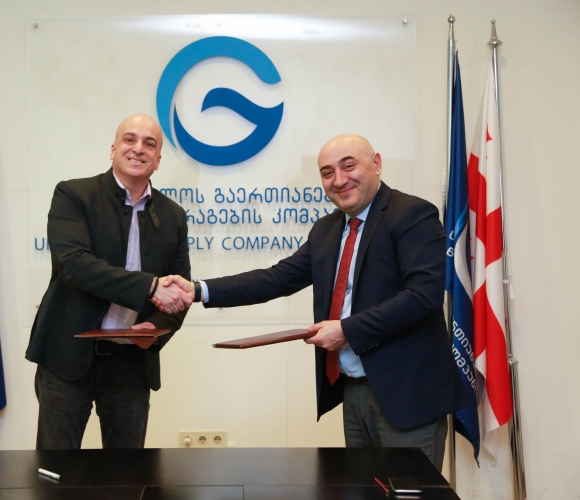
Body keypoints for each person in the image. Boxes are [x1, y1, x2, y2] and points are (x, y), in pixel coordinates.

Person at [156, 134, 468, 470]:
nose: (339, 180)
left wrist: (346, 330)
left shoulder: (412, 214)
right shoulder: (326, 229)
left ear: (376, 164)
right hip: (353, 390)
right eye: (327, 172)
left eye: (348, 166)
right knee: (362, 490)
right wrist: (197, 290)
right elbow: (276, 278)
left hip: (409, 395)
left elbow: (422, 296)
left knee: (409, 491)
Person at [26, 114, 193, 450]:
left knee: (127, 472)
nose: (138, 149)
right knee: (56, 468)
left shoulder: (173, 215)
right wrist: (149, 286)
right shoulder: (73, 195)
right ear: (113, 149)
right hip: (67, 358)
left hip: (131, 365)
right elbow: (75, 266)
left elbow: (179, 289)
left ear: (158, 159)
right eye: (130, 139)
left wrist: (156, 326)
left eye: (150, 144)